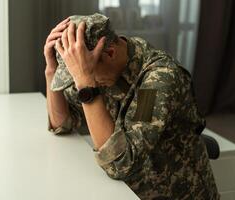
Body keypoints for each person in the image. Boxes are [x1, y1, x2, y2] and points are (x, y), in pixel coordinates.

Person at [44, 13, 220, 200]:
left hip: (177, 193)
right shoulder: (100, 68)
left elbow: (120, 163)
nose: (81, 82)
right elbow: (62, 123)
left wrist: (87, 86)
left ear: (110, 53)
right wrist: (51, 70)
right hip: (128, 192)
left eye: (84, 75)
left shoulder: (158, 80)